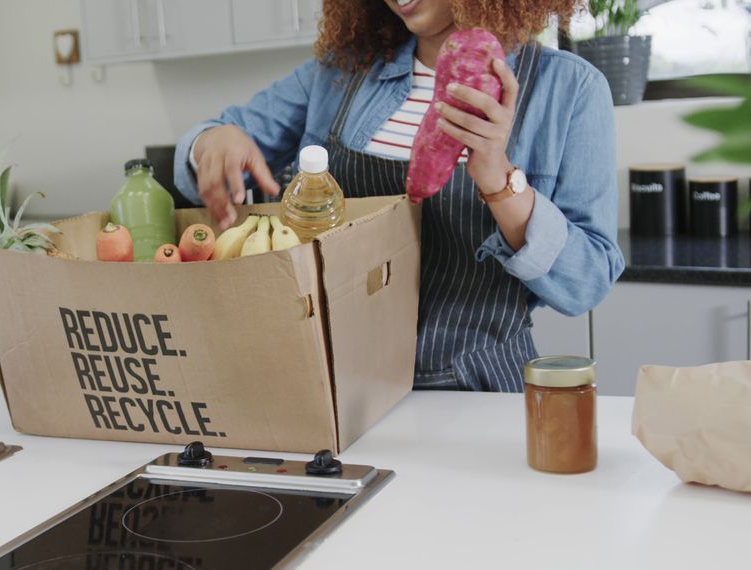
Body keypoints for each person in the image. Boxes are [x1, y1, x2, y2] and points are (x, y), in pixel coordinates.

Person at [173, 0, 625, 392]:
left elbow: (585, 283)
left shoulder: (569, 89)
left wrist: (499, 179)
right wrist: (210, 143)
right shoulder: (341, 70)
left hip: (475, 387)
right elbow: (211, 146)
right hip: (336, 382)